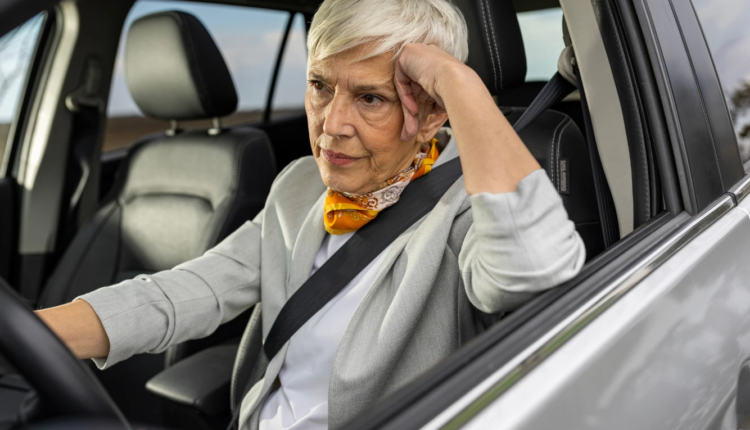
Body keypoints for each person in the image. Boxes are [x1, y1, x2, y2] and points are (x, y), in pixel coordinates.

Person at [36, 0, 585, 428]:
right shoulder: (298, 187)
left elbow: (535, 268)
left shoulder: (469, 211)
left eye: (370, 98)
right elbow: (186, 292)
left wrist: (458, 82)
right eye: (320, 86)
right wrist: (33, 336)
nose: (331, 126)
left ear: (431, 111)